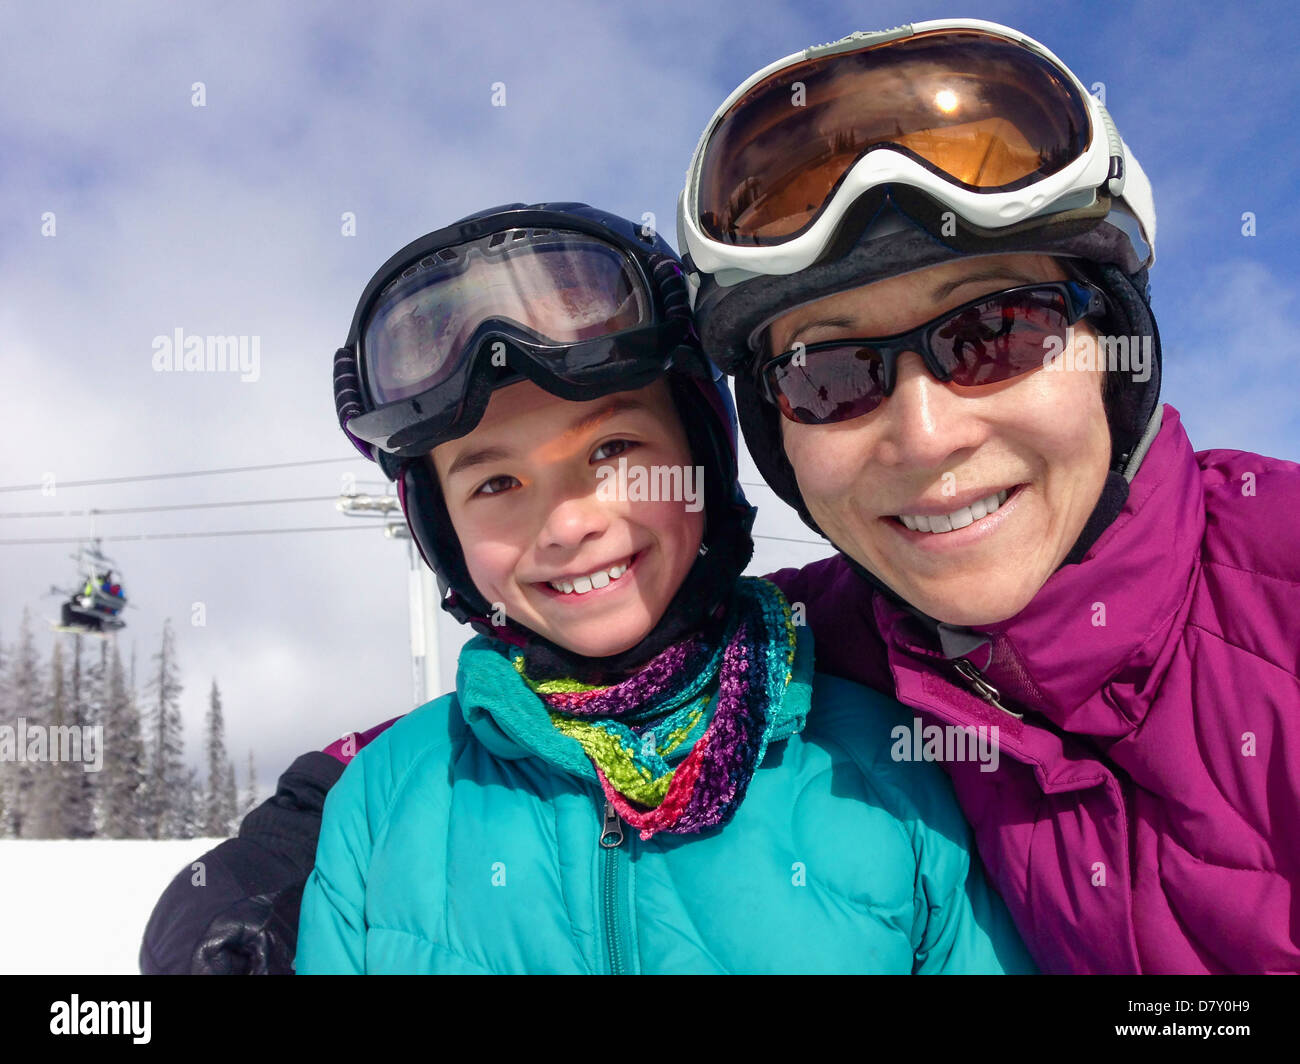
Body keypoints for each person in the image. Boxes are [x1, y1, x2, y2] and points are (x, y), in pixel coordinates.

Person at [674, 18, 1300, 973]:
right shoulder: (814, 650)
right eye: (828, 376)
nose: (927, 438)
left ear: (1114, 353)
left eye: (995, 333)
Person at [289, 202, 1031, 974]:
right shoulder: (380, 804)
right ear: (442, 532)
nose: (568, 523)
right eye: (496, 482)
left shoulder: (886, 766)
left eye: (613, 447)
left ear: (702, 462)